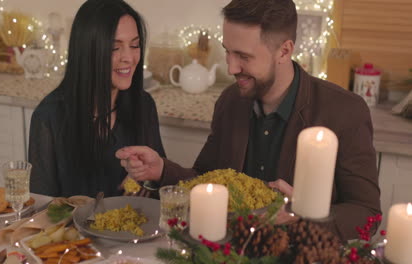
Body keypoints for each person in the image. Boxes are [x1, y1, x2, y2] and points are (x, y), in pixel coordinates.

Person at [116, 0, 381, 241]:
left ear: (284, 51)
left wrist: (305, 220)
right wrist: (162, 169)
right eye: (227, 52)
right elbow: (207, 180)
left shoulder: (345, 111)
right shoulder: (231, 101)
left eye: (244, 56)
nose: (231, 67)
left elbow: (367, 214)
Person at [29, 0, 165, 198]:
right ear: (87, 52)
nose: (129, 57)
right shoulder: (49, 116)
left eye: (134, 45)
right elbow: (41, 205)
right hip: (71, 228)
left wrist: (146, 180)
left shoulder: (143, 105)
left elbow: (160, 185)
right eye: (114, 48)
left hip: (131, 228)